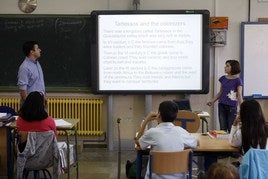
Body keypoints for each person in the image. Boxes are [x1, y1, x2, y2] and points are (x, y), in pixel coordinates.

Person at [135, 100, 197, 179]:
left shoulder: (152, 132)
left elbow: (138, 141)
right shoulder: (181, 131)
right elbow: (195, 143)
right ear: (175, 117)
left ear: (159, 115)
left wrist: (146, 120)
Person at [207, 60, 243, 132]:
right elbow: (221, 92)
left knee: (231, 127)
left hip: (232, 107)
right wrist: (212, 100)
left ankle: (230, 142)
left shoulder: (238, 80)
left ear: (233, 67)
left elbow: (239, 94)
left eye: (227, 66)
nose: (225, 67)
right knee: (223, 128)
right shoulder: (223, 78)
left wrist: (242, 107)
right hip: (222, 105)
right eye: (225, 65)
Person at [17, 41, 46, 106]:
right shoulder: (24, 67)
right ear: (32, 52)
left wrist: (44, 97)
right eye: (37, 48)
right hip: (30, 105)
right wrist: (31, 106)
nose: (40, 50)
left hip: (40, 101)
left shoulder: (37, 63)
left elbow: (40, 83)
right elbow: (23, 90)